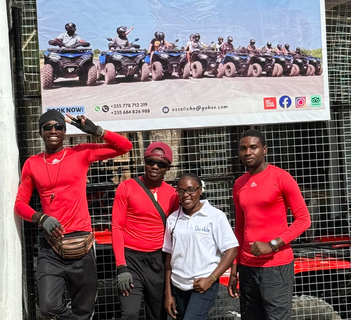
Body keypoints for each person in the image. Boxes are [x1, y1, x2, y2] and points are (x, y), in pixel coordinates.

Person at [14, 110, 132, 320]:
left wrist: (97, 131)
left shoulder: (80, 153)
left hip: (82, 246)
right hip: (51, 247)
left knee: (84, 310)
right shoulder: (32, 163)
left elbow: (125, 146)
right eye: (47, 126)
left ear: (64, 131)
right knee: (48, 306)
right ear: (40, 132)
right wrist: (42, 218)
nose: (53, 130)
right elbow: (20, 205)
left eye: (58, 126)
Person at [228, 129, 311, 320]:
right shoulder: (239, 184)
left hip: (276, 267)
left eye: (253, 147)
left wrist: (272, 245)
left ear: (264, 149)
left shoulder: (281, 177)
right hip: (248, 267)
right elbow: (240, 228)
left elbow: (304, 219)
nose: (248, 152)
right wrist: (234, 267)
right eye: (243, 148)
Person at [112, 142, 179, 320]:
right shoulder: (126, 187)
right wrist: (121, 266)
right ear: (144, 161)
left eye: (161, 164)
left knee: (157, 314)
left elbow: (174, 231)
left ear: (168, 168)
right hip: (131, 258)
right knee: (129, 313)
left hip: (158, 259)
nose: (155, 166)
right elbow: (117, 227)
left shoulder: (173, 194)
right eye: (151, 161)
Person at [163, 173, 238, 320]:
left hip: (204, 286)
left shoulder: (215, 216)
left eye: (191, 190)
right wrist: (168, 294)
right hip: (178, 286)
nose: (186, 195)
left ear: (200, 190)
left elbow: (232, 250)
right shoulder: (172, 219)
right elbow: (168, 259)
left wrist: (211, 279)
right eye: (181, 191)